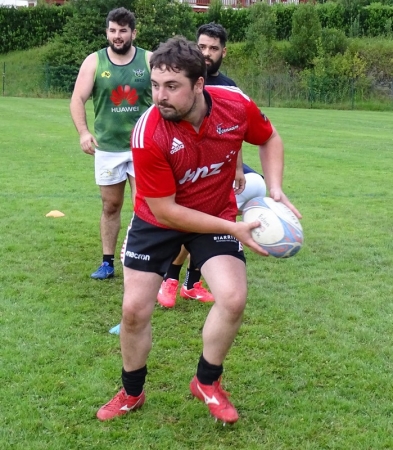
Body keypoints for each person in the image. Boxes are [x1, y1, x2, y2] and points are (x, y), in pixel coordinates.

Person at [96, 36, 301, 423]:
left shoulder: (235, 106)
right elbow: (167, 211)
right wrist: (233, 227)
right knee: (134, 310)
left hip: (213, 214)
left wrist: (274, 189)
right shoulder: (148, 132)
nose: (160, 96)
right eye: (155, 86)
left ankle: (207, 381)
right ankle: (132, 391)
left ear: (200, 85)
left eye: (172, 86)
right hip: (158, 222)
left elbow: (269, 137)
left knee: (233, 297)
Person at [157, 23, 266, 308]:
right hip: (185, 170)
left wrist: (238, 168)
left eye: (213, 48)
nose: (206, 53)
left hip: (217, 171)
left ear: (223, 52)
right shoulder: (180, 81)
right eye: (202, 46)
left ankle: (191, 282)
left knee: (211, 221)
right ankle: (171, 277)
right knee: (189, 221)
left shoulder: (230, 89)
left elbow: (235, 133)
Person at [70, 7, 152, 279]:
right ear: (107, 32)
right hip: (107, 148)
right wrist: (83, 132)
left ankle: (143, 259)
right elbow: (77, 99)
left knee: (145, 205)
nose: (118, 36)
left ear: (133, 33)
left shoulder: (149, 60)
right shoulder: (94, 62)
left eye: (123, 31)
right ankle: (107, 262)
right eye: (113, 31)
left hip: (142, 147)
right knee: (111, 206)